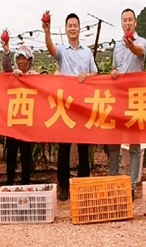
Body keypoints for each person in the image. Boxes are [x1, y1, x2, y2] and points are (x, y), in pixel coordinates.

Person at [43, 12, 98, 201]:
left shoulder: (87, 52)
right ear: (66, 29)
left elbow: (95, 73)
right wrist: (47, 31)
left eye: (75, 25)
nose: (73, 28)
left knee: (83, 146)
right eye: (70, 26)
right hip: (65, 104)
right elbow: (51, 49)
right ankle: (64, 187)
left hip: (83, 105)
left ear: (79, 28)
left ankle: (82, 184)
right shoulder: (62, 50)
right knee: (64, 147)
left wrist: (86, 75)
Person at [109, 8, 146, 200]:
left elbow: (138, 51)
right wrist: (114, 72)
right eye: (124, 20)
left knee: (134, 144)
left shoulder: (141, 42)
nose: (127, 23)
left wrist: (130, 45)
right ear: (121, 23)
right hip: (118, 97)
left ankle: (131, 186)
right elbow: (114, 68)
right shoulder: (117, 46)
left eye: (130, 20)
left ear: (135, 22)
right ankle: (114, 180)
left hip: (135, 98)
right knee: (114, 142)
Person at [1, 43, 37, 185]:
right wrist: (6, 52)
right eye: (19, 58)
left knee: (26, 155)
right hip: (13, 120)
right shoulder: (13, 74)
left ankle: (25, 185)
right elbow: (5, 67)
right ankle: (9, 184)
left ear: (30, 60)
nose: (21, 61)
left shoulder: (35, 76)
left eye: (24, 58)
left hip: (27, 121)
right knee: (11, 154)